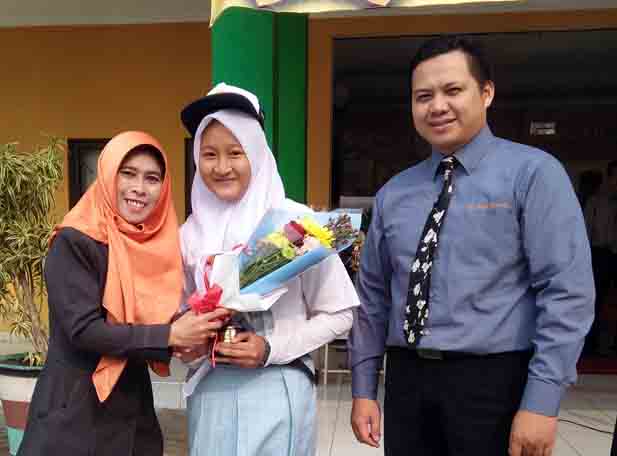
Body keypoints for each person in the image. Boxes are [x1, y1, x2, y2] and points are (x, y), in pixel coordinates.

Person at [348, 35, 594, 456]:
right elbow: (372, 298)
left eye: (453, 90)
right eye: (423, 96)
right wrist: (363, 387)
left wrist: (542, 400)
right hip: (407, 382)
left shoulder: (533, 174)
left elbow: (566, 292)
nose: (437, 106)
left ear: (486, 93)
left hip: (494, 382)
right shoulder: (394, 193)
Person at [17, 131, 229, 456]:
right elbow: (84, 331)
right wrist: (170, 335)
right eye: (127, 173)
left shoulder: (149, 246)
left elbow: (150, 321)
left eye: (152, 178)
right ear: (107, 175)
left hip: (132, 411)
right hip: (75, 414)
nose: (139, 188)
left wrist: (191, 338)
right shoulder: (74, 241)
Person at [177, 83, 360, 456]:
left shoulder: (297, 225)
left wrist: (271, 348)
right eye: (209, 154)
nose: (222, 167)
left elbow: (341, 315)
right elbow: (181, 315)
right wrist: (188, 343)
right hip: (211, 392)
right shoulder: (189, 235)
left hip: (278, 388)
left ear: (257, 154)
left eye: (236, 152)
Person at [583, 160, 617, 354]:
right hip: (600, 254)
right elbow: (586, 231)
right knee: (596, 300)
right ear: (609, 178)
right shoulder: (595, 202)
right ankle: (591, 344)